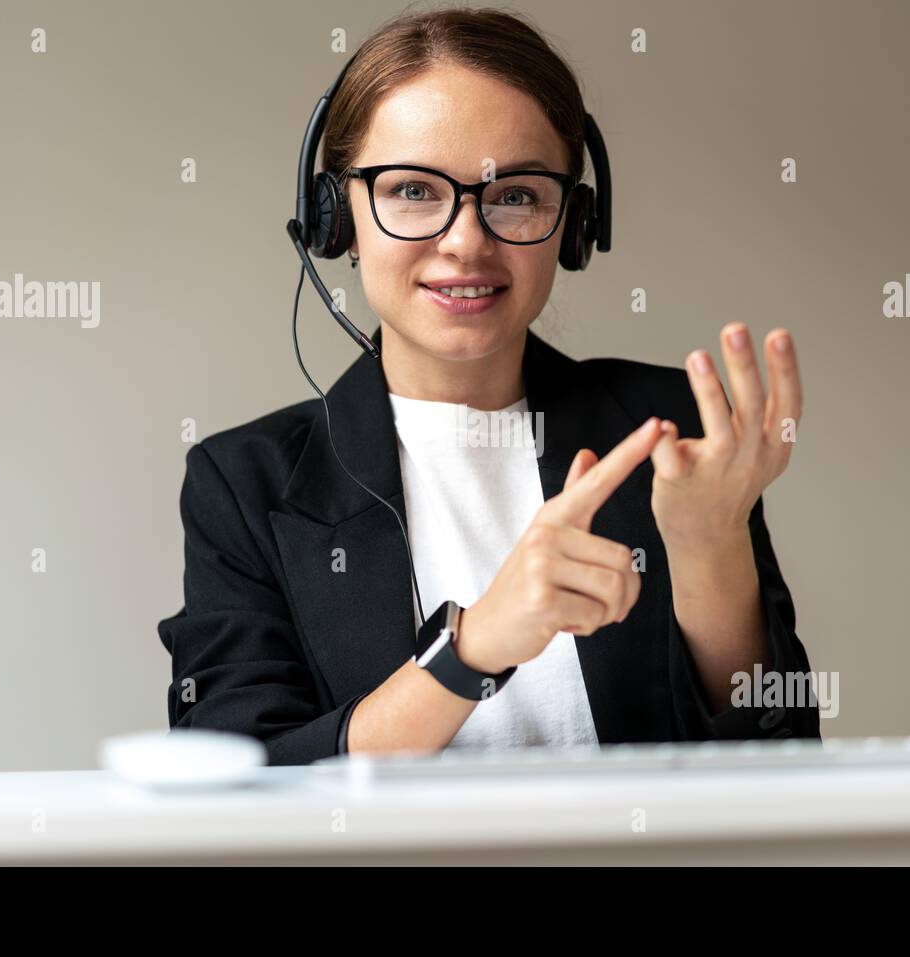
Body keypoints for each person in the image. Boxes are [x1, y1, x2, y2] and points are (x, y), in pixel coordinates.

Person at [157, 7, 819, 766]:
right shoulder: (244, 483)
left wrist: (711, 553)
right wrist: (472, 646)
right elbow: (236, 783)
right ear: (336, 218)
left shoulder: (667, 432)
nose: (466, 241)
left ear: (574, 223)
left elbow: (783, 760)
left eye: (515, 195)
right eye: (411, 190)